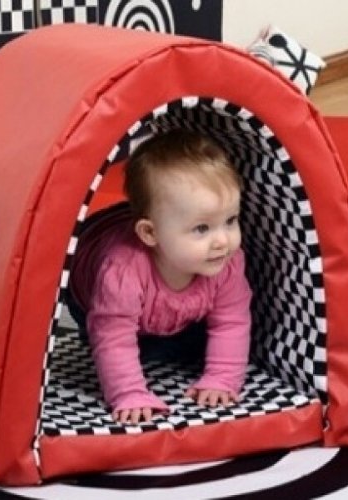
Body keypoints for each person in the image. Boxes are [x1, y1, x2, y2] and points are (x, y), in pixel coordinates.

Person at [67, 129, 252, 425]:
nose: (223, 240)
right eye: (202, 228)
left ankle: (165, 333)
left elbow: (232, 320)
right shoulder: (122, 273)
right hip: (86, 281)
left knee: (187, 349)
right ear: (150, 233)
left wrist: (222, 378)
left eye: (230, 221)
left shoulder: (227, 262)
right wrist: (128, 393)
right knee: (119, 342)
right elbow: (112, 336)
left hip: (166, 306)